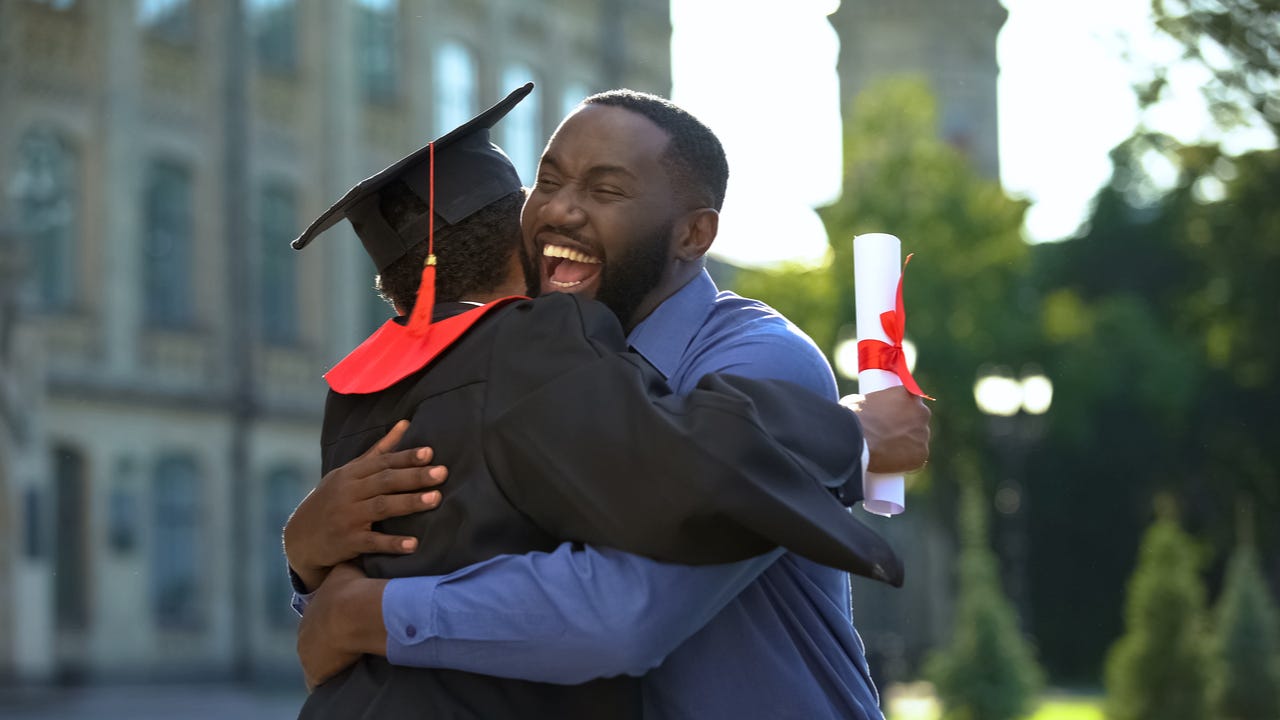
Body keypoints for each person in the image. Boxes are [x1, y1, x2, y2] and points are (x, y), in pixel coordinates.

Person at [285, 84, 928, 718]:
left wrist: (366, 614)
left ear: (693, 235)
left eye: (606, 190)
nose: (559, 211)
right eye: (548, 181)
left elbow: (625, 612)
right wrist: (310, 558)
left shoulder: (757, 362)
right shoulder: (515, 370)